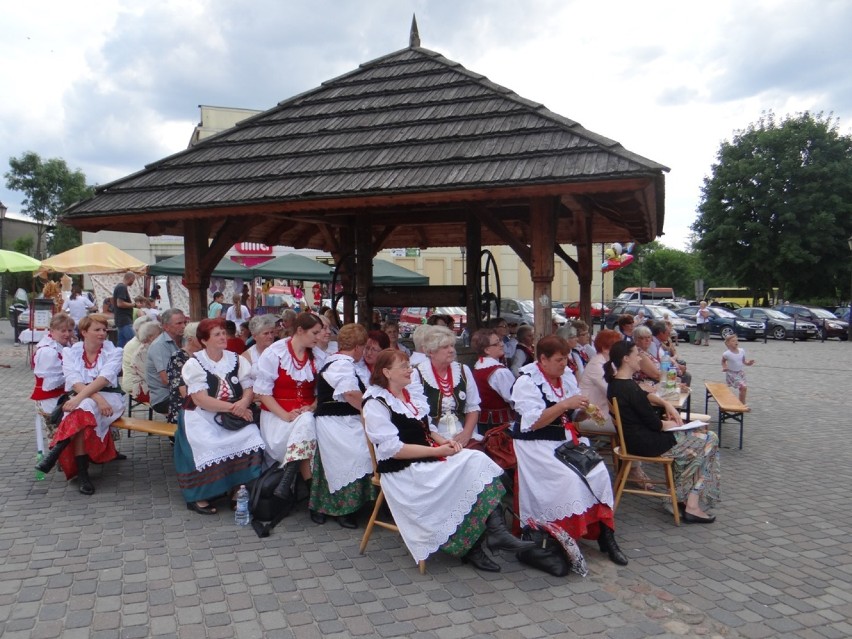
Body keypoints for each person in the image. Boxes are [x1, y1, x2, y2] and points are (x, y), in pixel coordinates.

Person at [363, 349, 532, 572]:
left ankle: (492, 535)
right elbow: (394, 450)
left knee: (476, 461)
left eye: (408, 364)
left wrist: (446, 443)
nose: (409, 370)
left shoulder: (410, 395)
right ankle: (485, 540)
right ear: (386, 372)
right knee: (474, 463)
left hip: (428, 459)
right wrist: (437, 451)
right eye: (403, 366)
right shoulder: (376, 402)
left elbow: (427, 429)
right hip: (405, 470)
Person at [510, 335, 627, 566]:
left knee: (599, 473)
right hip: (536, 443)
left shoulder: (565, 377)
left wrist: (584, 411)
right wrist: (564, 405)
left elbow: (572, 416)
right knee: (570, 480)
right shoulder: (527, 381)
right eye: (559, 359)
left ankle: (605, 534)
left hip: (563, 440)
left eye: (565, 359)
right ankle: (561, 537)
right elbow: (533, 423)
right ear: (542, 359)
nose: (565, 364)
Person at [606, 340, 720, 523]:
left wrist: (666, 404)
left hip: (638, 440)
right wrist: (678, 424)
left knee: (703, 440)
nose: (640, 357)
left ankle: (683, 499)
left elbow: (643, 395)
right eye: (636, 354)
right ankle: (687, 501)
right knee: (709, 440)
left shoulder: (618, 383)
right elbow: (656, 424)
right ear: (626, 359)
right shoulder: (628, 387)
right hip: (646, 443)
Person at [177, 318, 266, 515]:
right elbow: (201, 400)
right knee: (207, 443)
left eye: (224, 333)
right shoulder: (194, 364)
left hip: (233, 413)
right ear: (204, 340)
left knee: (252, 435)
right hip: (200, 416)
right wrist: (236, 408)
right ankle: (200, 495)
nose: (223, 337)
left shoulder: (236, 359)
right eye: (217, 334)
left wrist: (243, 403)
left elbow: (248, 388)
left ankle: (237, 491)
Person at [35, 314, 126, 495]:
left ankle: (57, 453)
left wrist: (80, 398)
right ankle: (82, 475)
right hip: (89, 399)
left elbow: (104, 378)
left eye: (104, 329)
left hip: (111, 399)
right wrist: (93, 399)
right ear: (84, 332)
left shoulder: (114, 351)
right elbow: (73, 379)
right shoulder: (72, 352)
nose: (102, 333)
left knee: (80, 407)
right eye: (97, 330)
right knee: (83, 412)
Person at [255, 313, 327, 502]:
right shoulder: (275, 353)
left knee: (306, 421)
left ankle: (291, 482)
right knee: (306, 424)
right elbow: (263, 393)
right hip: (277, 417)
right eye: (315, 332)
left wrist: (312, 406)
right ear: (300, 331)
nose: (319, 337)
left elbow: (324, 392)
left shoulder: (318, 356)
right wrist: (286, 415)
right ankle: (312, 493)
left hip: (307, 417)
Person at [308, 323, 375, 527]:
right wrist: (371, 410)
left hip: (344, 421)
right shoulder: (341, 364)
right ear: (357, 347)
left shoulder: (341, 363)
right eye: (363, 348)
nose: (363, 352)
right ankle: (342, 508)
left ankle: (344, 506)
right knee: (358, 454)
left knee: (363, 451)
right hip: (335, 422)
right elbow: (350, 394)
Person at [412, 326, 480, 447]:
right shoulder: (417, 374)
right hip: (431, 437)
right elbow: (418, 415)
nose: (451, 350)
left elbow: (473, 407)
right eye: (445, 347)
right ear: (431, 352)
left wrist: (467, 433)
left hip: (461, 433)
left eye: (452, 346)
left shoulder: (463, 370)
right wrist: (442, 442)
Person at [31, 313, 76, 448]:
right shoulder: (48, 351)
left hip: (61, 395)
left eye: (69, 330)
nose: (67, 334)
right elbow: (51, 382)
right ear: (52, 331)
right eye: (62, 330)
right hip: (51, 398)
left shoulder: (62, 346)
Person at [470, 328, 515, 436]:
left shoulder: (478, 366)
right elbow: (513, 397)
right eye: (497, 343)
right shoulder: (499, 371)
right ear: (487, 350)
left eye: (500, 340)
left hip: (483, 423)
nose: (502, 344)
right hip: (501, 425)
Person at [146, 309, 187, 415]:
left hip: (181, 391)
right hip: (164, 398)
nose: (183, 326)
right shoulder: (159, 345)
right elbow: (166, 379)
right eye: (179, 323)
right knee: (199, 408)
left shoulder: (185, 340)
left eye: (185, 322)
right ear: (165, 327)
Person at [166, 321, 202, 426]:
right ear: (190, 339)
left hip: (201, 403)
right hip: (184, 407)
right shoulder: (178, 357)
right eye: (201, 336)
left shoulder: (203, 354)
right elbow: (183, 391)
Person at [123, 320, 162, 403]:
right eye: (160, 334)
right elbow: (149, 377)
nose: (163, 336)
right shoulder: (142, 352)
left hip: (153, 387)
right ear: (151, 337)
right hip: (144, 390)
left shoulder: (152, 348)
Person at [721, 335, 755, 406]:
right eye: (733, 341)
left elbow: (743, 361)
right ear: (728, 343)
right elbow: (723, 361)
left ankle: (740, 403)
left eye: (737, 340)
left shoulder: (741, 351)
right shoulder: (727, 354)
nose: (736, 342)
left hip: (740, 373)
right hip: (732, 373)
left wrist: (749, 363)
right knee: (743, 387)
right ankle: (743, 404)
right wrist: (725, 367)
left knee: (742, 389)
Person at [113, 272, 137, 347]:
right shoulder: (122, 287)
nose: (133, 282)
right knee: (133, 341)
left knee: (121, 342)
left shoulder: (119, 287)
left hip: (121, 319)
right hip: (124, 319)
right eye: (133, 280)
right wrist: (134, 305)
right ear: (131, 278)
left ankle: (118, 356)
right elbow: (120, 303)